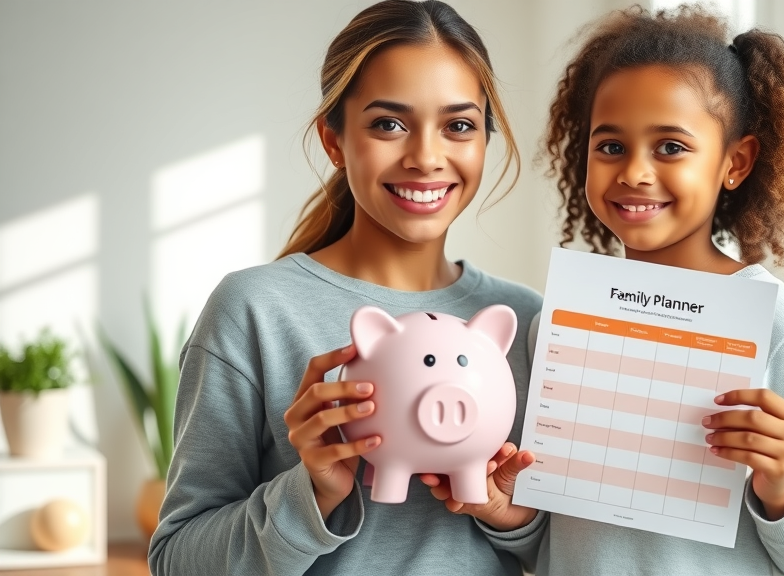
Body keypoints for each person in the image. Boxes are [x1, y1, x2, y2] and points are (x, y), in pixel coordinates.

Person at [148, 2, 544, 574]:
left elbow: (570, 550)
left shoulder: (526, 321)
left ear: (485, 140)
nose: (426, 157)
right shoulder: (255, 312)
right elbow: (175, 561)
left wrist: (510, 515)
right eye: (389, 124)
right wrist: (311, 492)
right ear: (334, 141)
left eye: (458, 125)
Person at [525, 5, 784, 575]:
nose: (634, 171)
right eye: (610, 146)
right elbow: (548, 542)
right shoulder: (558, 324)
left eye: (670, 147)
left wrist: (783, 483)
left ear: (735, 162)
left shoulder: (783, 329)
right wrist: (502, 511)